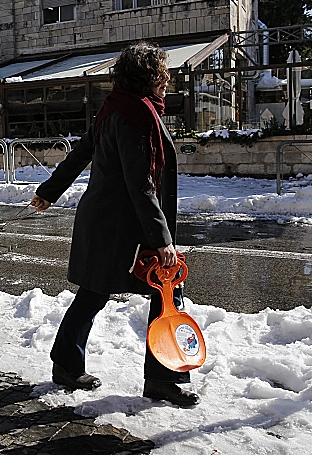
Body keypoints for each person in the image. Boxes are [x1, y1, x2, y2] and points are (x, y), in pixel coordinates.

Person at [29, 41, 199, 407]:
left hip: (109, 223)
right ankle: (161, 379)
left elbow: (83, 150)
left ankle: (68, 365)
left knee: (96, 293)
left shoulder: (117, 106)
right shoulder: (136, 116)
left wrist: (50, 191)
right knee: (165, 292)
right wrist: (162, 240)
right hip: (126, 227)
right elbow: (142, 184)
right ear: (145, 78)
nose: (167, 79)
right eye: (160, 73)